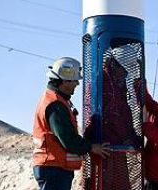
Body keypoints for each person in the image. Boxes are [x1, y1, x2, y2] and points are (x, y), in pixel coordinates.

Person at [32, 57, 110, 190]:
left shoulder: (54, 99)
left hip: (54, 168)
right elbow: (68, 140)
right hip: (54, 168)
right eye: (74, 81)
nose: (77, 84)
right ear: (64, 81)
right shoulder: (55, 104)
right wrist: (92, 147)